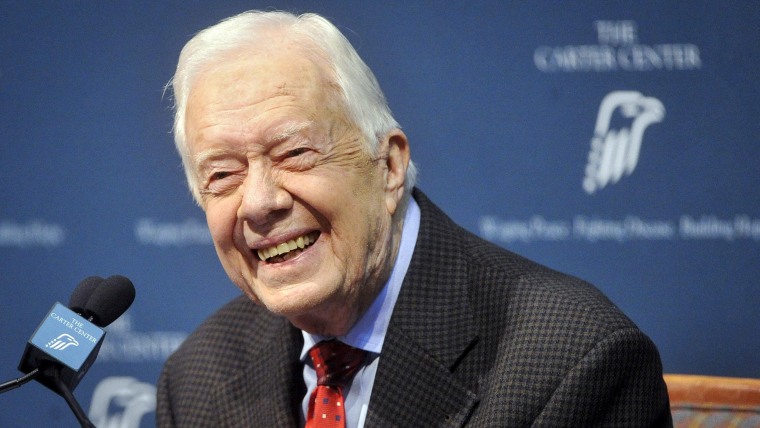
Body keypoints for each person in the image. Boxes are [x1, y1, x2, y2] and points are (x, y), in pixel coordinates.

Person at [156, 10, 672, 427]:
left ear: (389, 166)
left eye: (294, 153)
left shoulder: (571, 360)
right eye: (223, 174)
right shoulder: (197, 376)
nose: (258, 202)